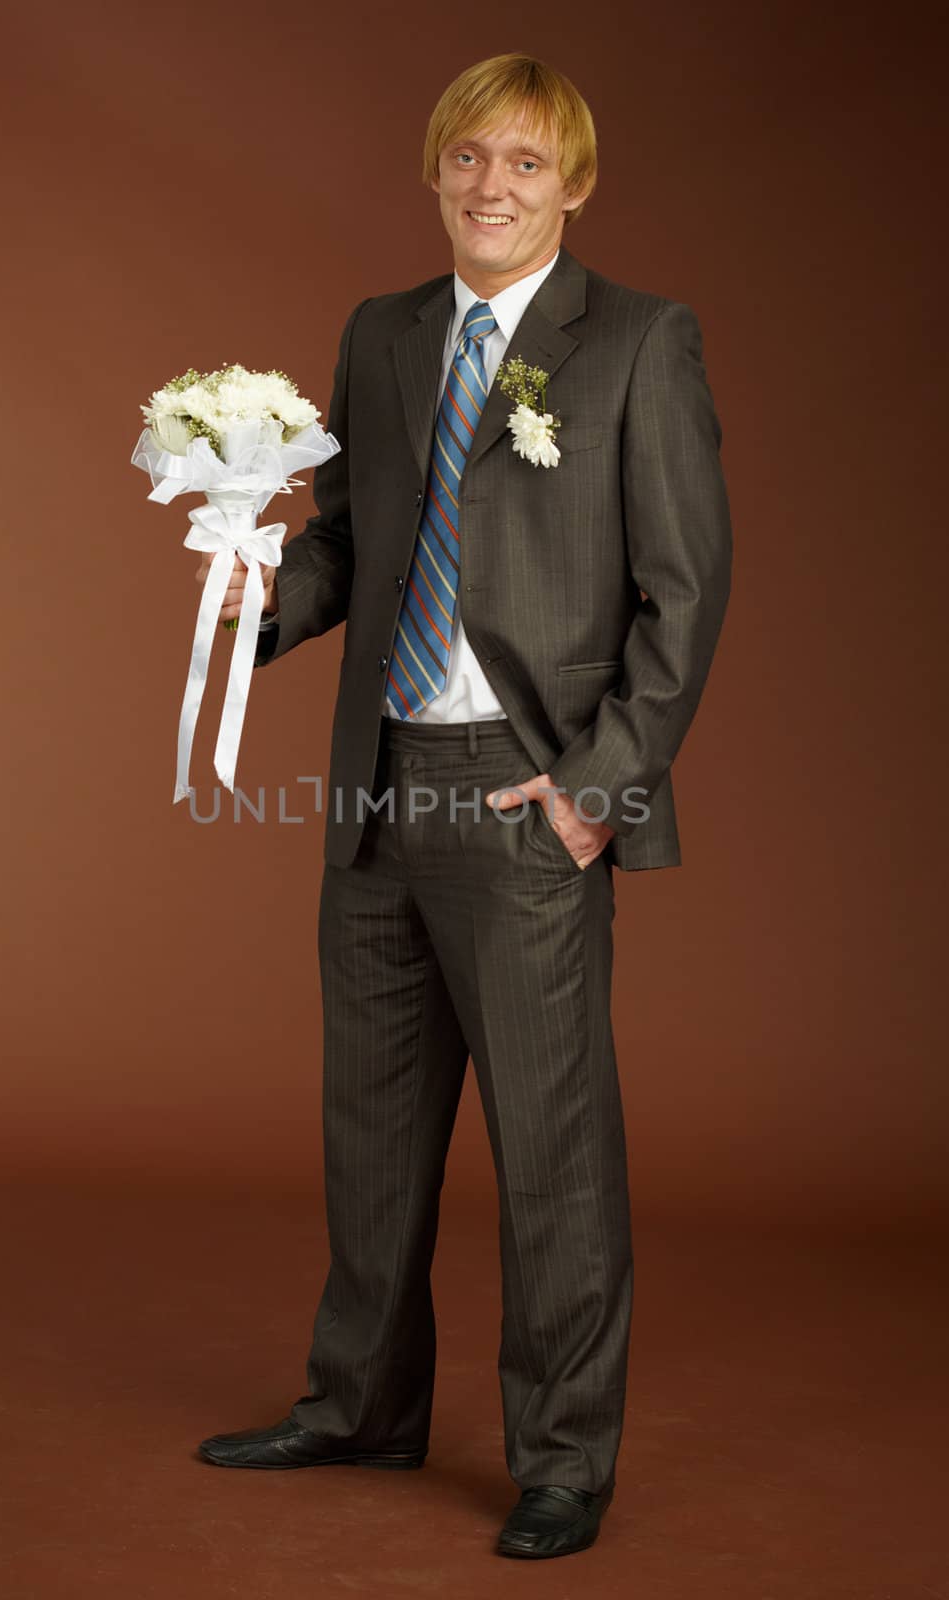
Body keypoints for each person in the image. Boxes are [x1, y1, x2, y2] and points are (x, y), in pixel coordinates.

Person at [194, 51, 732, 1562]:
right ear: (434, 173)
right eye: (466, 161)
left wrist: (595, 793)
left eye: (524, 165)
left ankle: (565, 1456)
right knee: (369, 1130)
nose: (491, 189)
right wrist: (251, 599)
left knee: (552, 1150)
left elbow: (684, 595)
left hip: (527, 796)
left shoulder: (636, 342)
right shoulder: (382, 335)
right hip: (377, 792)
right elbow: (357, 539)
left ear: (572, 183)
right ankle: (359, 1402)